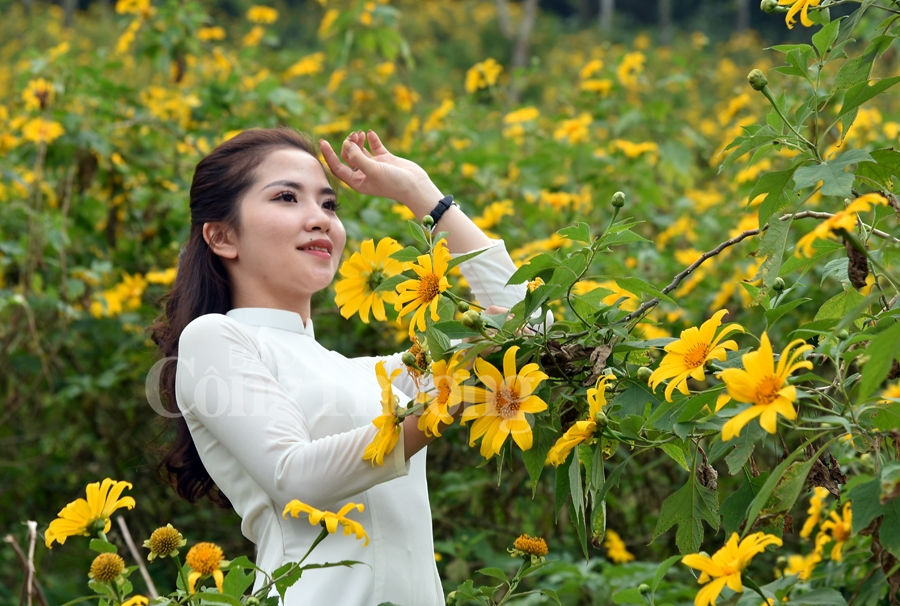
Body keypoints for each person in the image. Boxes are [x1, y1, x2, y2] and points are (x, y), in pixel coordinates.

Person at [150, 127, 544, 605]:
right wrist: (443, 401)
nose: (318, 218)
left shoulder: (372, 376)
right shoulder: (214, 339)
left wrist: (424, 197)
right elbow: (295, 476)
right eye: (286, 198)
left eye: (329, 204)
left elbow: (533, 330)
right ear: (222, 236)